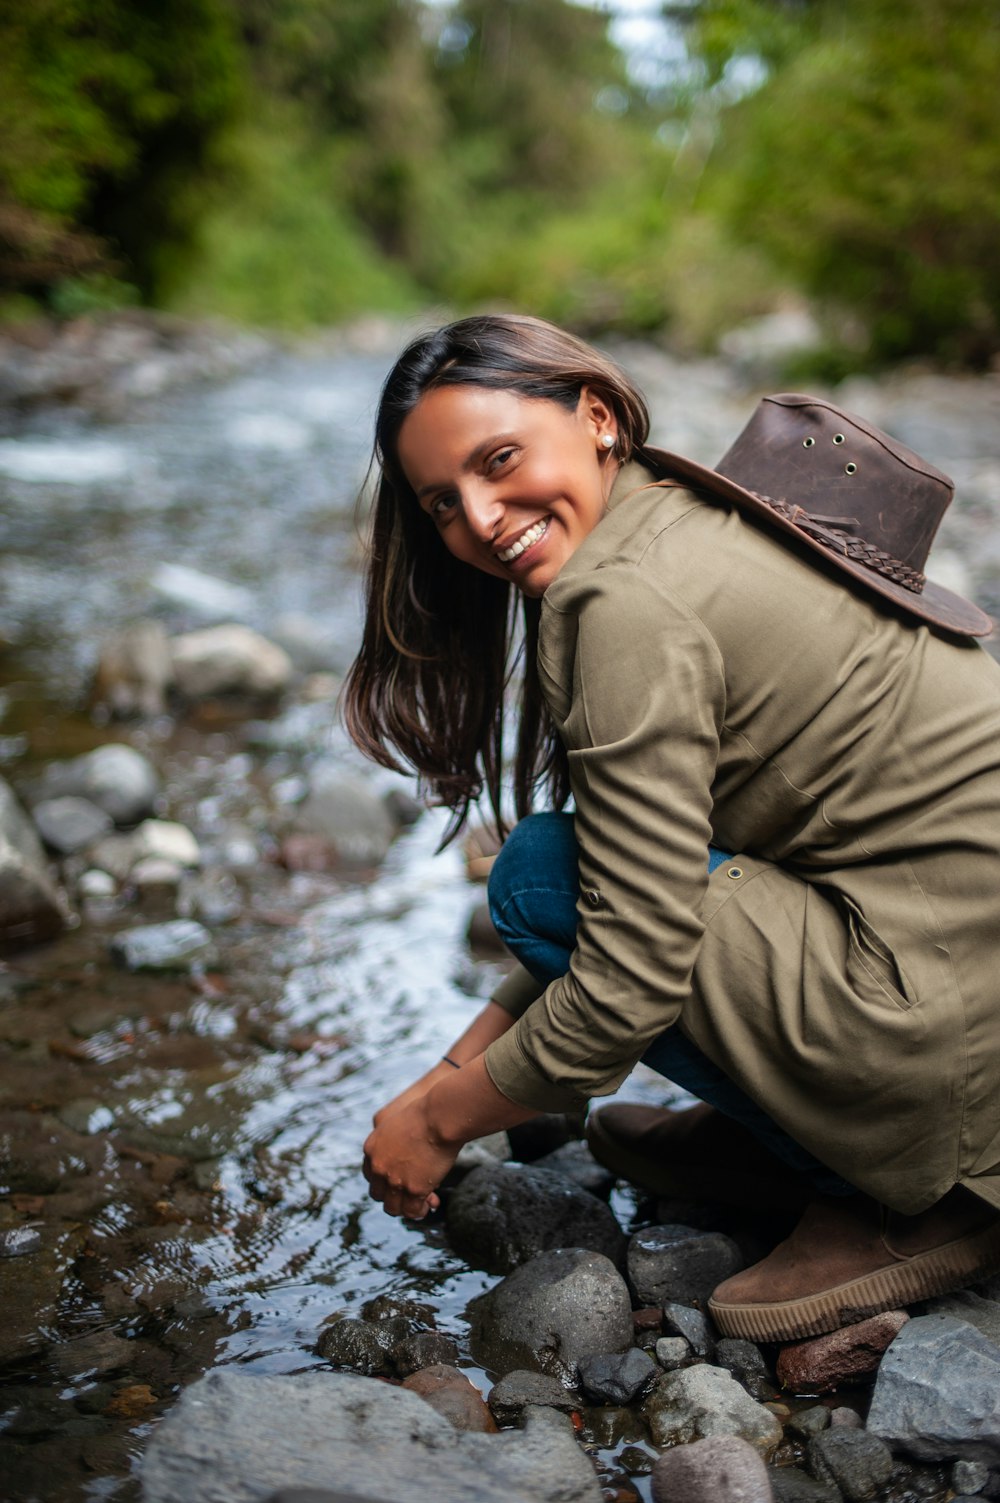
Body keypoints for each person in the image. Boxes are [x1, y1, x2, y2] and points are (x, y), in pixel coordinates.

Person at [343, 313, 1000, 1342]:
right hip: (954, 975)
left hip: (946, 1048)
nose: (479, 518)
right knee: (561, 873)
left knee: (528, 878)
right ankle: (798, 1133)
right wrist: (453, 1074)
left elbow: (626, 965)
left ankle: (901, 1196)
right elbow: (633, 874)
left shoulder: (620, 604)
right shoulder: (686, 509)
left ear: (596, 416)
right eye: (442, 503)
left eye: (498, 460)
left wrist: (437, 1122)